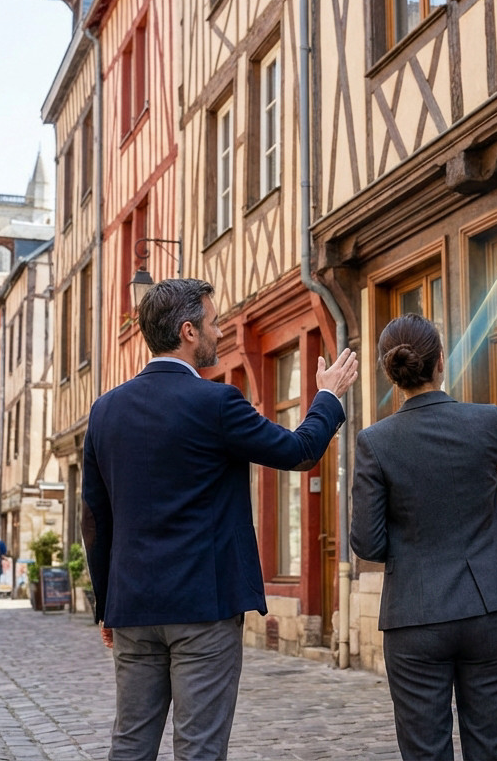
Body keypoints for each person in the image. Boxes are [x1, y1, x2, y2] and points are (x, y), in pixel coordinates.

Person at [82, 278, 359, 760]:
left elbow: (95, 519)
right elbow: (298, 451)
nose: (220, 331)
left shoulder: (105, 411)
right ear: (188, 331)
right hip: (202, 608)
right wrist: (328, 396)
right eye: (213, 323)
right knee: (200, 748)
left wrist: (108, 602)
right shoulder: (216, 403)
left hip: (133, 608)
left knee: (130, 742)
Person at [349, 313, 497, 760]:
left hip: (414, 617)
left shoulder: (375, 441)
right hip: (487, 610)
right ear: (441, 363)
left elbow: (367, 544)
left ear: (389, 370)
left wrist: (415, 553)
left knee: (425, 752)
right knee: (490, 748)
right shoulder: (485, 421)